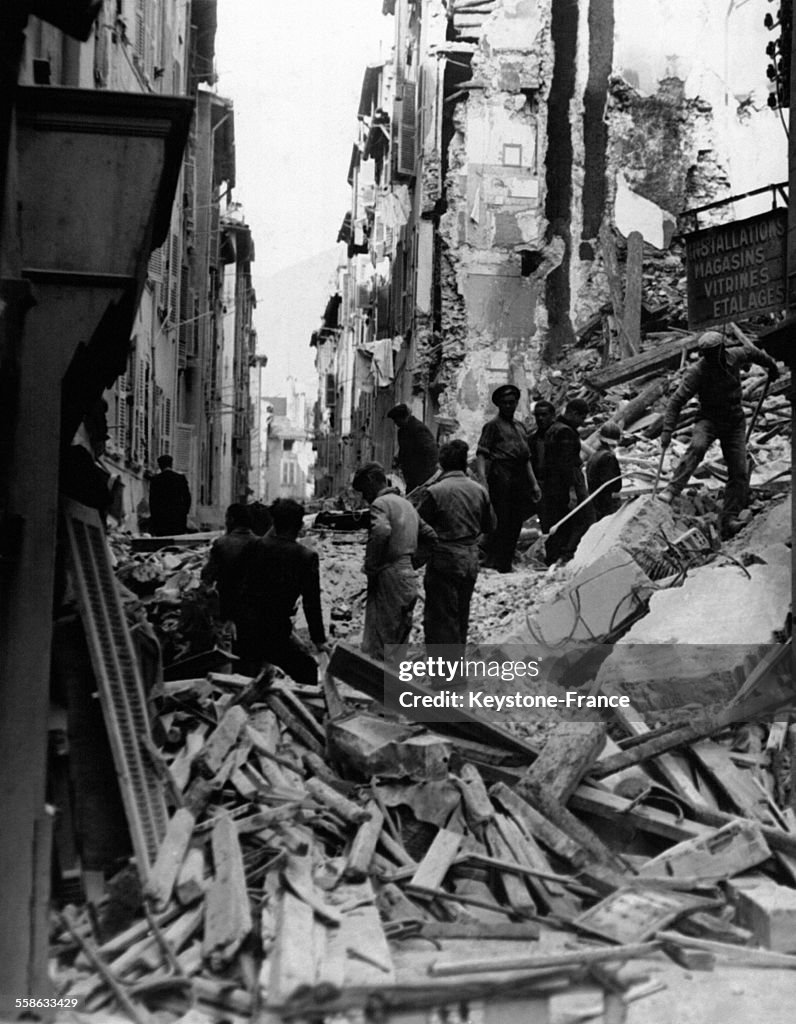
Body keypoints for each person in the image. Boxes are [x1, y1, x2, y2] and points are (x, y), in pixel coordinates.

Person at [658, 331, 779, 536]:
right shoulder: (698, 372)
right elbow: (676, 402)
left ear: (722, 350)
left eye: (713, 353)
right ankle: (672, 489)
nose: (710, 358)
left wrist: (772, 366)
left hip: (734, 421)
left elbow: (753, 353)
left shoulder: (736, 355)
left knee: (739, 470)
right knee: (697, 446)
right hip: (708, 419)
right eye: (706, 354)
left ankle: (729, 518)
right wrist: (667, 430)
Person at [237, 498, 329, 684]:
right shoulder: (305, 557)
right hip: (276, 630)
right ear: (300, 525)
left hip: (246, 629)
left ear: (275, 522)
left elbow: (237, 587)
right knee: (308, 670)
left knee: (245, 679)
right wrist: (319, 640)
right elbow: (311, 603)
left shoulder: (254, 547)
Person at [352, 461, 437, 661]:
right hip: (407, 576)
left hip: (389, 577)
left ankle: (380, 689)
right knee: (398, 643)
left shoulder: (381, 504)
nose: (365, 497)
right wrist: (412, 562)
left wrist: (372, 565)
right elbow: (431, 536)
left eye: (364, 489)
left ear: (372, 481)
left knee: (381, 642)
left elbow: (381, 531)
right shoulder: (406, 504)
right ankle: (394, 688)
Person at [418, 440, 495, 653]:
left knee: (441, 621)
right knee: (461, 616)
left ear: (442, 463)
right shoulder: (479, 490)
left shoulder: (435, 491)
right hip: (469, 559)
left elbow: (419, 526)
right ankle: (456, 674)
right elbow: (490, 525)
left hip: (444, 559)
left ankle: (446, 680)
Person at [475, 384, 541, 573]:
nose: (508, 406)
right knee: (500, 519)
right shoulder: (493, 426)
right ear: (499, 405)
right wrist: (483, 480)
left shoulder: (520, 427)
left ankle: (506, 561)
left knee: (515, 520)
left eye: (512, 402)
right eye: (504, 403)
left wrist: (534, 483)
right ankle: (492, 561)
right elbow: (482, 454)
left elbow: (526, 457)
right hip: (501, 474)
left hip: (519, 475)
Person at [539, 398, 591, 564]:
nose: (582, 423)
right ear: (574, 414)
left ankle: (554, 558)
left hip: (551, 485)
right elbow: (566, 464)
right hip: (563, 484)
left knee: (556, 521)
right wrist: (572, 491)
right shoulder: (566, 432)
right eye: (582, 418)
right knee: (581, 519)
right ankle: (566, 556)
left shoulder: (553, 428)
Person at [201, 503, 257, 625]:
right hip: (254, 606)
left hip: (228, 603)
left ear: (231, 519)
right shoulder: (261, 544)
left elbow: (208, 575)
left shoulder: (221, 543)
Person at [386, 403, 439, 494]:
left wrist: (424, 475)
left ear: (404, 417)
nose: (396, 423)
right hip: (411, 475)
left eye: (396, 420)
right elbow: (404, 450)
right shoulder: (402, 431)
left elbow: (430, 452)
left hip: (421, 475)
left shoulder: (418, 429)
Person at [586, 422, 623, 520]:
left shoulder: (595, 455)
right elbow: (615, 486)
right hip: (605, 505)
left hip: (596, 504)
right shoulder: (608, 457)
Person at [148, 454, 191, 535]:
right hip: (178, 519)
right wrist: (184, 513)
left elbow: (152, 501)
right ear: (171, 464)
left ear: (160, 466)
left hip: (161, 519)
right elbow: (187, 498)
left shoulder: (155, 480)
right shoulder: (180, 479)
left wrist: (154, 518)